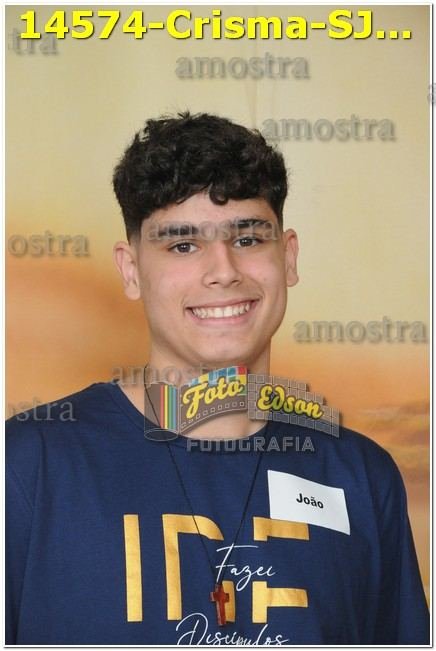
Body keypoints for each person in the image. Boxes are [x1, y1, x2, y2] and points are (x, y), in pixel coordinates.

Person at [6, 112, 429, 645]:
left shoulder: (361, 476)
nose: (224, 271)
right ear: (131, 270)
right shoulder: (27, 466)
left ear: (288, 257)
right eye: (183, 245)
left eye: (248, 239)